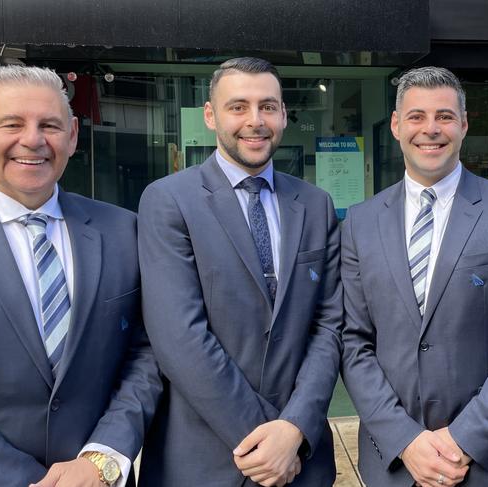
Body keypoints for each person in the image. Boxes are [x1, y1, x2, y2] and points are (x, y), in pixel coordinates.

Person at [340, 66, 488, 487]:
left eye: (444, 116)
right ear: (396, 125)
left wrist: (463, 438)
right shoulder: (359, 223)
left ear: (463, 124)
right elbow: (354, 342)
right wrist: (405, 440)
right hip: (396, 466)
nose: (430, 129)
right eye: (417, 116)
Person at [137, 57, 342, 486]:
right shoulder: (169, 201)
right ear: (210, 116)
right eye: (238, 107)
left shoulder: (315, 203)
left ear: (284, 114)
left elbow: (329, 325)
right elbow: (180, 337)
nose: (255, 121)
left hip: (302, 459)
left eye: (268, 106)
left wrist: (295, 429)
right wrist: (266, 442)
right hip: (204, 461)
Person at [0, 66, 161, 487]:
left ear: (72, 135)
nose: (32, 140)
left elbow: (148, 352)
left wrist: (102, 459)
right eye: (12, 124)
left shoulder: (123, 230)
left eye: (49, 125)